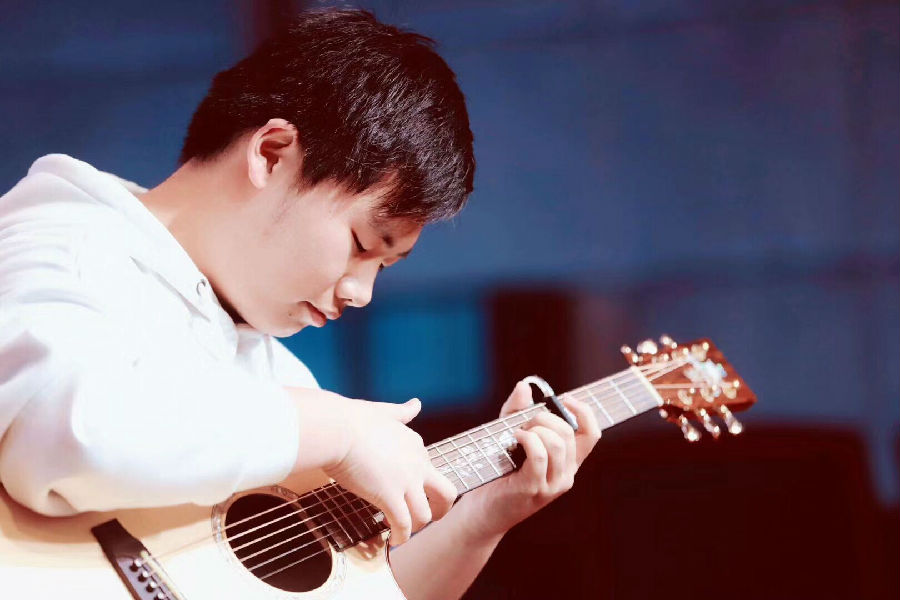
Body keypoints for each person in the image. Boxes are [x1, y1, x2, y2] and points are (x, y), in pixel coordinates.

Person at [0, 9, 600, 599]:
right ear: (271, 152)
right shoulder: (68, 245)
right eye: (361, 244)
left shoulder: (278, 378)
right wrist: (337, 430)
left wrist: (483, 518)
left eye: (383, 267)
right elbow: (61, 428)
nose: (360, 293)